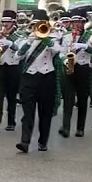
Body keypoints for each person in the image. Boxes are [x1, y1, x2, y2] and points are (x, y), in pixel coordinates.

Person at [15, 10, 64, 153]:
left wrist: (45, 37)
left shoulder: (53, 37)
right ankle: (25, 141)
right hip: (29, 78)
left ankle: (43, 141)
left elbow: (57, 50)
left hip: (46, 78)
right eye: (35, 24)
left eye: (41, 24)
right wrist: (30, 40)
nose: (38, 27)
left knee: (45, 113)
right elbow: (18, 56)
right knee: (27, 113)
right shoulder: (25, 38)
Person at [58, 8, 92, 138]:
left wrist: (84, 47)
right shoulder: (66, 36)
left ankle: (80, 128)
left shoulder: (91, 36)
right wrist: (65, 60)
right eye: (74, 22)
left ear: (84, 22)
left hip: (84, 68)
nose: (76, 24)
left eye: (79, 22)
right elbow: (61, 52)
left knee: (83, 99)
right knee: (68, 99)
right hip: (70, 67)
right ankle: (65, 127)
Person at [0, 11, 21, 132]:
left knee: (11, 96)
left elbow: (20, 52)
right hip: (0, 67)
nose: (5, 24)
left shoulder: (19, 36)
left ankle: (11, 122)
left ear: (13, 23)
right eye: (3, 22)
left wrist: (10, 43)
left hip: (13, 67)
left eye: (8, 22)